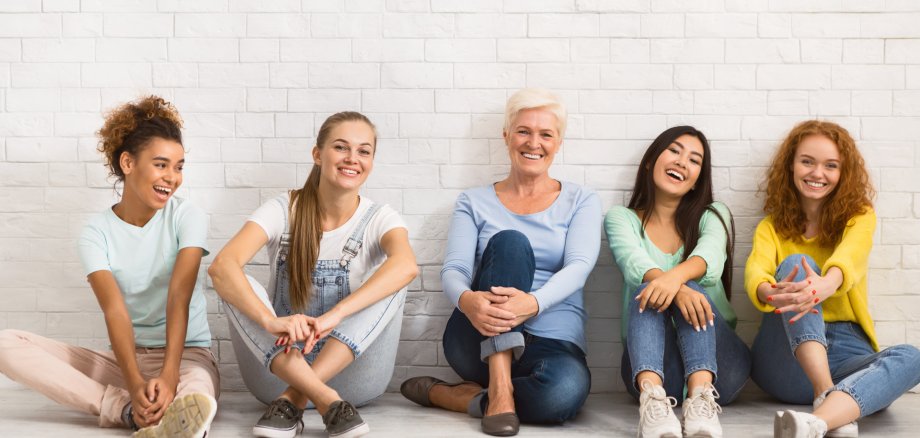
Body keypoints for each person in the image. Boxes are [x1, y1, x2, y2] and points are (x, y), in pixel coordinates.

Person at [0, 96, 219, 438]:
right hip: (123, 362)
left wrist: (170, 373)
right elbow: (115, 311)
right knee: (6, 344)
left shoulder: (186, 216)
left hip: (187, 357)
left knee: (197, 392)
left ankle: (180, 418)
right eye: (161, 164)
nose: (172, 178)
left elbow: (179, 295)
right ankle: (127, 411)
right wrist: (133, 385)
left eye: (179, 166)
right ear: (128, 163)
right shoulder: (95, 233)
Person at [399, 88, 600, 437]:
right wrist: (468, 301)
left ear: (559, 141)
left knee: (562, 395)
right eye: (523, 131)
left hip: (552, 343)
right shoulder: (473, 202)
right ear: (507, 136)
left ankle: (461, 399)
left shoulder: (581, 200)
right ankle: (501, 389)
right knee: (510, 242)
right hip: (478, 333)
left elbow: (579, 267)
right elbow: (454, 271)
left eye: (545, 134)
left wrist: (533, 303)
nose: (533, 142)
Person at [208, 111, 417, 438]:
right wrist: (269, 321)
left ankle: (296, 397)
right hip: (278, 368)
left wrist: (335, 316)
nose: (352, 158)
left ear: (372, 161)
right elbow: (222, 266)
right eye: (341, 147)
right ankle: (323, 398)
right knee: (236, 280)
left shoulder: (379, 217)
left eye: (364, 151)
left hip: (354, 377)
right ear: (318, 154)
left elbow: (407, 265)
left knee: (394, 279)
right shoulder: (283, 209)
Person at [746, 120, 920, 438]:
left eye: (831, 165)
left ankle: (821, 419)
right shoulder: (771, 227)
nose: (817, 173)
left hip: (847, 352)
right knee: (798, 263)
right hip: (784, 359)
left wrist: (827, 283)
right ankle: (827, 393)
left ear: (843, 173)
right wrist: (772, 293)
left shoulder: (860, 216)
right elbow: (756, 271)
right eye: (807, 162)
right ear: (791, 166)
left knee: (913, 357)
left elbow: (851, 254)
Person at [604, 126, 750, 438]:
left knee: (686, 288)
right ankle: (653, 402)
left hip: (722, 370)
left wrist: (678, 283)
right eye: (674, 150)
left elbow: (709, 259)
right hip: (654, 369)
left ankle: (700, 396)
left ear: (699, 178)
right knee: (648, 289)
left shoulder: (714, 214)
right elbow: (634, 265)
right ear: (650, 161)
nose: (682, 162)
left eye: (694, 160)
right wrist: (676, 289)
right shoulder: (622, 218)